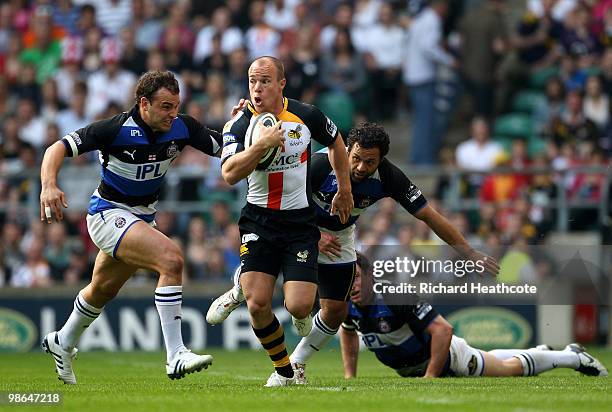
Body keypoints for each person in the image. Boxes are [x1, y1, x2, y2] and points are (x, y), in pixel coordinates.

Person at [208, 122, 498, 384]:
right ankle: (239, 287)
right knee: (285, 295)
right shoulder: (319, 164)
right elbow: (281, 199)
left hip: (341, 235)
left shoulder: (390, 177)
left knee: (336, 309)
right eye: (356, 158)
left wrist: (469, 253)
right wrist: (313, 234)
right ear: (347, 149)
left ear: (381, 160)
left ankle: (296, 364)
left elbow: (430, 216)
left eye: (369, 162)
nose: (360, 167)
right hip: (294, 225)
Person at [39, 70, 221, 384]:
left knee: (102, 290)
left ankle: (63, 341)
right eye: (165, 106)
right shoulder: (114, 129)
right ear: (144, 103)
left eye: (176, 106)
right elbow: (56, 149)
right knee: (171, 259)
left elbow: (225, 146)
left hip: (141, 218)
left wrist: (246, 124)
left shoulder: (183, 128)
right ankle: (175, 354)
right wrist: (48, 185)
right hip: (107, 213)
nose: (172, 114)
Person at [218, 55, 353, 387]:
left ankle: (248, 286)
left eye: (265, 81)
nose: (257, 88)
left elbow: (337, 142)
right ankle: (284, 370)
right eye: (252, 81)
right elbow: (229, 174)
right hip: (259, 222)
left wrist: (345, 188)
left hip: (299, 224)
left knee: (299, 306)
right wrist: (261, 146)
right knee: (258, 303)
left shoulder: (306, 116)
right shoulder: (237, 124)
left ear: (281, 84)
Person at [340, 252, 608, 378]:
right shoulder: (344, 303)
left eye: (356, 278)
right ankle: (540, 351)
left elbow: (443, 330)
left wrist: (431, 376)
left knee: (508, 370)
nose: (350, 285)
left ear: (371, 276)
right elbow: (348, 332)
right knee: (490, 358)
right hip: (416, 366)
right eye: (346, 279)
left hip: (448, 359)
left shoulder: (396, 297)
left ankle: (571, 357)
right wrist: (350, 377)